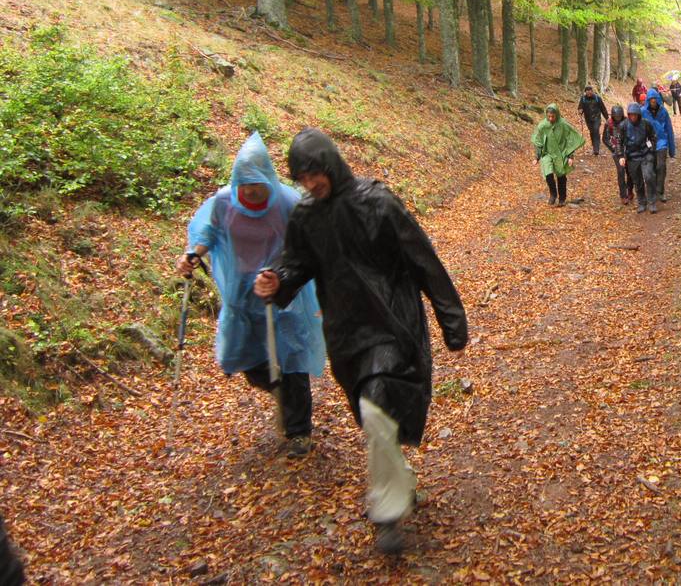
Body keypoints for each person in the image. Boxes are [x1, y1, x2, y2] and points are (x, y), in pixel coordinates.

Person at [253, 129, 468, 555]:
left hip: (392, 323)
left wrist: (451, 318)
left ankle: (387, 512)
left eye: (315, 173)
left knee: (377, 402)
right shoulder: (306, 217)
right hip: (345, 332)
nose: (311, 183)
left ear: (331, 164)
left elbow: (422, 258)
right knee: (375, 417)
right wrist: (277, 281)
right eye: (302, 177)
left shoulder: (379, 202)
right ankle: (400, 480)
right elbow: (297, 264)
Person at [178, 132, 325, 458]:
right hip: (242, 297)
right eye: (245, 184)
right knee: (251, 361)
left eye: (256, 184)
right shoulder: (222, 203)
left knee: (291, 360)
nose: (251, 190)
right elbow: (208, 232)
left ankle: (299, 430)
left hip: (282, 293)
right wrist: (194, 253)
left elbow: (305, 240)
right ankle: (280, 391)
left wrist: (284, 274)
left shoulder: (287, 202)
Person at [532, 104, 586, 207]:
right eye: (549, 116)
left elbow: (571, 139)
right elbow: (538, 141)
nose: (551, 118)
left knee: (561, 175)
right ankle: (553, 194)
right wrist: (537, 157)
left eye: (553, 116)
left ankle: (562, 197)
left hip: (561, 153)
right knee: (548, 173)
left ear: (557, 114)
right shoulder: (543, 125)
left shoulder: (563, 124)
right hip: (547, 153)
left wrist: (570, 156)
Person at [620, 103, 659, 213]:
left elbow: (653, 137)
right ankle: (642, 202)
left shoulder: (645, 124)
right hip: (632, 157)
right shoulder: (624, 125)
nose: (633, 117)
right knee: (638, 181)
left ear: (638, 115)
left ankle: (652, 202)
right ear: (628, 115)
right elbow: (619, 142)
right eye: (631, 115)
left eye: (635, 115)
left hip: (645, 155)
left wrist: (650, 148)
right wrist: (621, 156)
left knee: (649, 177)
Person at [642, 88, 677, 203]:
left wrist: (672, 149)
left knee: (661, 166)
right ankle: (651, 191)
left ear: (657, 100)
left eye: (655, 100)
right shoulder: (643, 112)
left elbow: (669, 129)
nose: (653, 102)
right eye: (651, 100)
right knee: (650, 169)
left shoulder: (663, 112)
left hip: (662, 142)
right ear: (648, 100)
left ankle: (660, 191)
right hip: (648, 143)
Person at [601, 102, 632, 204]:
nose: (618, 118)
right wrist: (613, 148)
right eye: (616, 116)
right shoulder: (608, 123)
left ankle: (630, 190)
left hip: (628, 149)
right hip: (617, 152)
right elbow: (605, 139)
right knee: (621, 172)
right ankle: (623, 195)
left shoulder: (628, 121)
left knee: (630, 172)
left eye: (619, 116)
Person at [576, 85, 608, 156]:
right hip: (588, 119)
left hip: (597, 118)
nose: (589, 93)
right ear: (585, 92)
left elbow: (603, 108)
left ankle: (596, 149)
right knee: (592, 132)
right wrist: (580, 111)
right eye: (587, 91)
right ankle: (594, 146)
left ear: (592, 91)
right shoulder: (583, 99)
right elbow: (580, 107)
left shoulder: (597, 98)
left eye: (590, 91)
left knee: (596, 130)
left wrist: (607, 118)